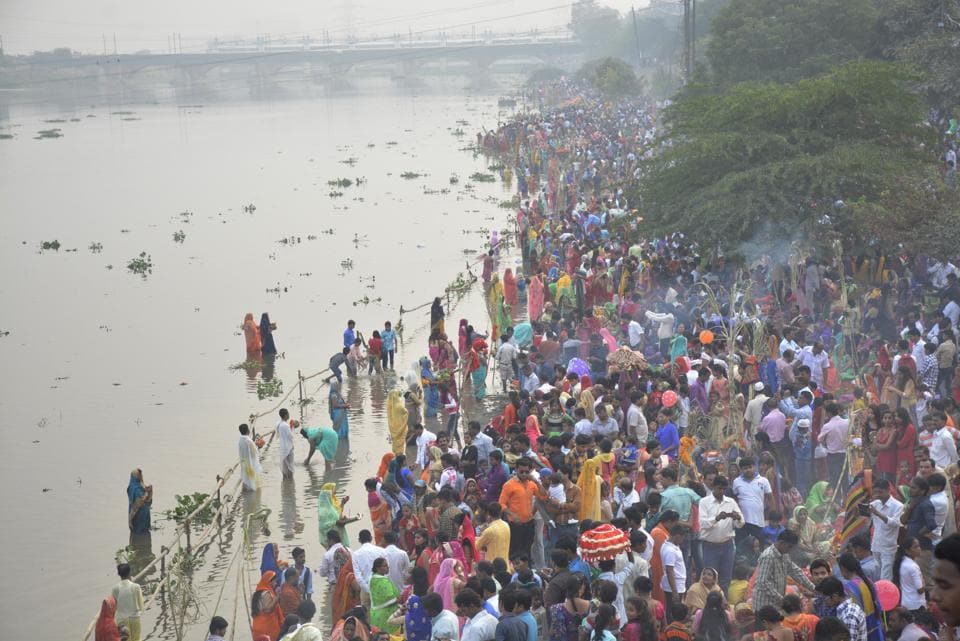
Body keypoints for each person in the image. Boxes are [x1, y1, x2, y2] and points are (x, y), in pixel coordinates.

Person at [752, 530, 816, 611]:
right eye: (789, 547)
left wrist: (813, 588)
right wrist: (781, 600)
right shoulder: (768, 556)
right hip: (764, 604)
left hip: (776, 604)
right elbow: (763, 582)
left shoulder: (784, 555)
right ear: (781, 542)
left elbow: (795, 571)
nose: (790, 550)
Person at [698, 475, 742, 592]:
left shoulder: (731, 502)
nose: (721, 491)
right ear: (713, 487)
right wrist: (717, 518)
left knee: (726, 578)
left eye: (723, 489)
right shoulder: (704, 502)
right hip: (710, 546)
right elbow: (703, 524)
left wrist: (737, 518)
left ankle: (724, 604)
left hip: (728, 545)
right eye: (719, 488)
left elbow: (741, 524)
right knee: (709, 579)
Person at [868, 479, 903, 580]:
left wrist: (877, 513)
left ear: (888, 490)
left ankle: (887, 594)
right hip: (875, 545)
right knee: (877, 575)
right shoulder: (875, 504)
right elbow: (865, 517)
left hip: (888, 547)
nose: (878, 495)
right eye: (876, 492)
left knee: (885, 576)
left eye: (880, 492)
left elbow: (895, 523)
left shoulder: (898, 506)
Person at [815, 577, 866, 641]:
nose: (824, 602)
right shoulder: (846, 609)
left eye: (825, 598)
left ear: (834, 596)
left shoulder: (848, 615)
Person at [892, 537, 925, 612]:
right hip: (917, 605)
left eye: (919, 546)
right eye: (916, 547)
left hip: (906, 603)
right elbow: (920, 589)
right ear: (907, 551)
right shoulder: (913, 567)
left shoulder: (903, 563)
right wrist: (924, 582)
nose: (919, 548)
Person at [112, 564, 144, 641]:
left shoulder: (115, 588)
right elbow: (141, 605)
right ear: (129, 573)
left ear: (119, 574)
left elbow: (113, 605)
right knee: (136, 639)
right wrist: (139, 612)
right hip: (135, 618)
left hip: (122, 620)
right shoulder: (136, 587)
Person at [370, 558, 401, 634]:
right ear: (378, 568)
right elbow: (391, 599)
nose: (388, 567)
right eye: (385, 566)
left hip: (377, 614)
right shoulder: (381, 581)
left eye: (387, 565)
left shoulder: (374, 579)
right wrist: (398, 600)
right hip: (385, 616)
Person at [251, 571, 284, 641]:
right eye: (274, 582)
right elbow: (268, 609)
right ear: (268, 582)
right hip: (267, 627)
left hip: (258, 625)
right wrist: (277, 598)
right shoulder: (266, 593)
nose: (275, 584)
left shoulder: (257, 593)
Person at [239, 423, 264, 491]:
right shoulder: (248, 440)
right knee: (253, 484)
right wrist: (258, 445)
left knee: (247, 480)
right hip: (251, 464)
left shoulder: (240, 440)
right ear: (248, 430)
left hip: (244, 463)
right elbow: (254, 452)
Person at [127, 469, 152, 535]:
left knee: (142, 534)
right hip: (141, 515)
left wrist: (149, 491)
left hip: (142, 515)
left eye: (141, 475)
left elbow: (144, 502)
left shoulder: (138, 487)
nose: (141, 476)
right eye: (140, 475)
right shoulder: (135, 487)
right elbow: (143, 501)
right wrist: (147, 492)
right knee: (141, 533)